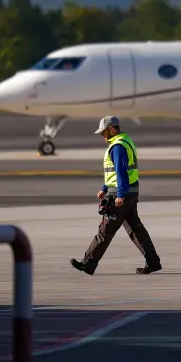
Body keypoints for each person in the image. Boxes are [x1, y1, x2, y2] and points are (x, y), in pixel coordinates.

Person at [70, 116, 162, 275]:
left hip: (120, 195)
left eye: (103, 132)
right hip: (130, 192)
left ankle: (88, 263)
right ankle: (153, 262)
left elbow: (121, 173)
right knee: (136, 230)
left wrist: (119, 195)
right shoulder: (126, 141)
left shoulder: (118, 147)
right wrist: (104, 188)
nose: (102, 136)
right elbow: (115, 172)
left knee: (105, 230)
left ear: (112, 129)